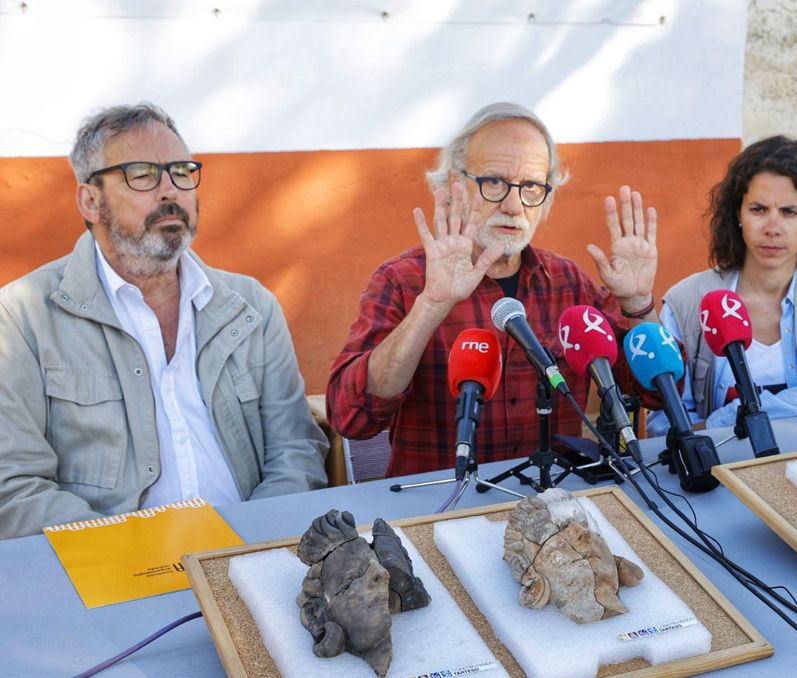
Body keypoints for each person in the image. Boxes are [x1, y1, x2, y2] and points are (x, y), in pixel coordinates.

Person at [0, 103, 328, 539]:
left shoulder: (250, 306)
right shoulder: (24, 315)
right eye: (141, 175)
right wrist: (132, 555)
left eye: (180, 172)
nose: (169, 191)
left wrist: (251, 544)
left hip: (250, 554)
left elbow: (297, 450)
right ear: (90, 201)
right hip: (108, 571)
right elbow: (14, 485)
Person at [326, 101, 658, 477]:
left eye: (531, 186)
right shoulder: (403, 281)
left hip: (552, 508)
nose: (515, 205)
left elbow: (655, 394)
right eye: (495, 182)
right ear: (455, 186)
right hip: (439, 509)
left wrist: (638, 305)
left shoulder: (568, 283)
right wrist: (431, 305)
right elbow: (350, 419)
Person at [650, 135, 797, 435]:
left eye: (790, 212)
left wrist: (729, 420)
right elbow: (662, 423)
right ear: (738, 213)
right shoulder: (686, 300)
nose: (772, 228)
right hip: (717, 468)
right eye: (758, 209)